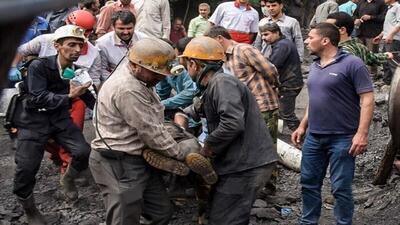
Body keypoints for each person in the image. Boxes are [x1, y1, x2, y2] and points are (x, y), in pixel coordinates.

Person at [90, 37, 216, 225]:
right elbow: (150, 131)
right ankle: (182, 158)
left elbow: (153, 120)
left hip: (136, 155)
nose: (162, 76)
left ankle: (179, 158)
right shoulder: (128, 89)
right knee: (124, 219)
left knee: (161, 213)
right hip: (117, 160)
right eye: (156, 72)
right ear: (136, 65)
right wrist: (177, 154)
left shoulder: (139, 78)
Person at [180, 36, 277, 225]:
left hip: (247, 165)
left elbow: (232, 123)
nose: (186, 69)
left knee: (227, 219)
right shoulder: (214, 86)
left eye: (186, 64)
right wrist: (182, 114)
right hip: (240, 163)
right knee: (220, 213)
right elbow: (201, 107)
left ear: (194, 64)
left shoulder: (223, 83)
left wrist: (209, 145)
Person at [292, 23, 374, 225]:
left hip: (343, 137)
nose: (306, 40)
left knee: (340, 187)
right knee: (309, 183)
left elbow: (367, 99)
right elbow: (315, 99)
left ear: (325, 40)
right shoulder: (315, 65)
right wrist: (303, 125)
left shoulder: (353, 64)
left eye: (310, 37)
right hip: (314, 136)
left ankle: (343, 223)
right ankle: (308, 221)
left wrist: (362, 134)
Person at [12, 25, 94, 224]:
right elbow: (38, 97)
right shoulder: (38, 66)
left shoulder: (75, 70)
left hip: (58, 119)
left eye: (79, 45)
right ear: (57, 46)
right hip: (33, 121)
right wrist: (68, 96)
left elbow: (89, 98)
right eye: (71, 45)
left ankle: (68, 178)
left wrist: (105, 106)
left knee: (83, 151)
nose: (76, 50)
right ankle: (30, 211)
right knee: (26, 167)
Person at [205, 26, 279, 142]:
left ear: (219, 38)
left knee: (267, 146)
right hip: (246, 109)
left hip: (263, 107)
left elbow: (270, 71)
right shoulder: (223, 58)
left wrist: (274, 87)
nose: (210, 47)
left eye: (211, 43)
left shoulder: (244, 50)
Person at [259, 22, 303, 131]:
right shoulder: (282, 43)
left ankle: (301, 136)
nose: (264, 38)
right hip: (290, 83)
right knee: (280, 111)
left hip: (289, 84)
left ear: (277, 33)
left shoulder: (282, 45)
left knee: (287, 114)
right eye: (262, 35)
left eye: (266, 34)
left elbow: (273, 65)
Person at [156, 37, 200, 134]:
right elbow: (162, 92)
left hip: (196, 116)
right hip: (182, 110)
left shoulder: (187, 68)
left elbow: (191, 92)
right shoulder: (166, 68)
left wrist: (162, 104)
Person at [326, 12, 393, 67]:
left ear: (342, 30)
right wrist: (386, 55)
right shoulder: (358, 46)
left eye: (328, 27)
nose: (323, 31)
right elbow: (371, 57)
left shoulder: (342, 52)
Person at [96, 10, 146, 83]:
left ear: (134, 26)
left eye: (129, 28)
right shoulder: (102, 43)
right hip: (115, 83)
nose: (126, 32)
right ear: (113, 27)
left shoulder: (144, 40)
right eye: (121, 29)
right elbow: (103, 70)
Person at [353, 0, 386, 75]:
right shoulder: (361, 2)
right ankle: (360, 73)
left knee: (372, 54)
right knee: (359, 54)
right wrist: (356, 19)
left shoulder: (381, 3)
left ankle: (372, 74)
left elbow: (383, 17)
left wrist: (371, 17)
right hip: (360, 32)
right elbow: (354, 15)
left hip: (373, 33)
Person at [373, 0, 400, 84]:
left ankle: (397, 85)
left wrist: (391, 34)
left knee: (393, 62)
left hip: (394, 39)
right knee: (385, 61)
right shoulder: (389, 8)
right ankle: (387, 82)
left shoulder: (398, 7)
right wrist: (380, 36)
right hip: (387, 38)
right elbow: (388, 25)